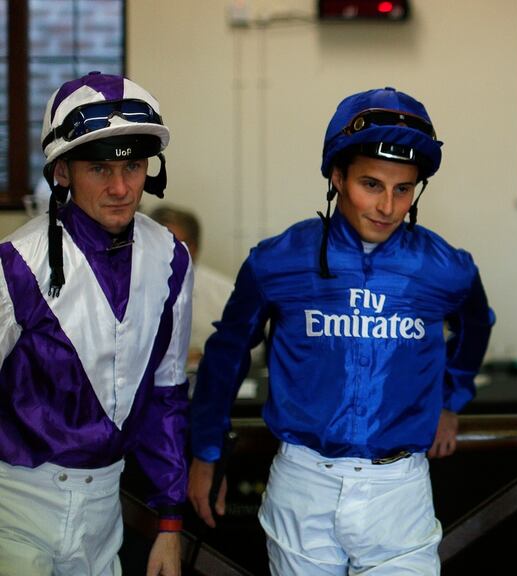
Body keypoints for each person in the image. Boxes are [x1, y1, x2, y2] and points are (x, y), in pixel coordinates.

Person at [188, 87, 494, 575]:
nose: (387, 206)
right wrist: (206, 452)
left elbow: (476, 325)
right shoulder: (278, 260)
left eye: (403, 189)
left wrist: (451, 399)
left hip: (401, 488)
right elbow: (227, 354)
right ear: (337, 176)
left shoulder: (446, 268)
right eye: (371, 184)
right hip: (302, 481)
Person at [0, 71, 191, 576]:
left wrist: (170, 523)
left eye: (133, 166)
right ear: (62, 171)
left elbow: (167, 393)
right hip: (15, 504)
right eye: (100, 168)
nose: (121, 188)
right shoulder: (16, 263)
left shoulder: (171, 257)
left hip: (107, 510)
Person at [150, 205, 235, 371]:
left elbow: (254, 348)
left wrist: (206, 354)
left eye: (174, 244)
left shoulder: (225, 293)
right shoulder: (127, 292)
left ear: (194, 248)